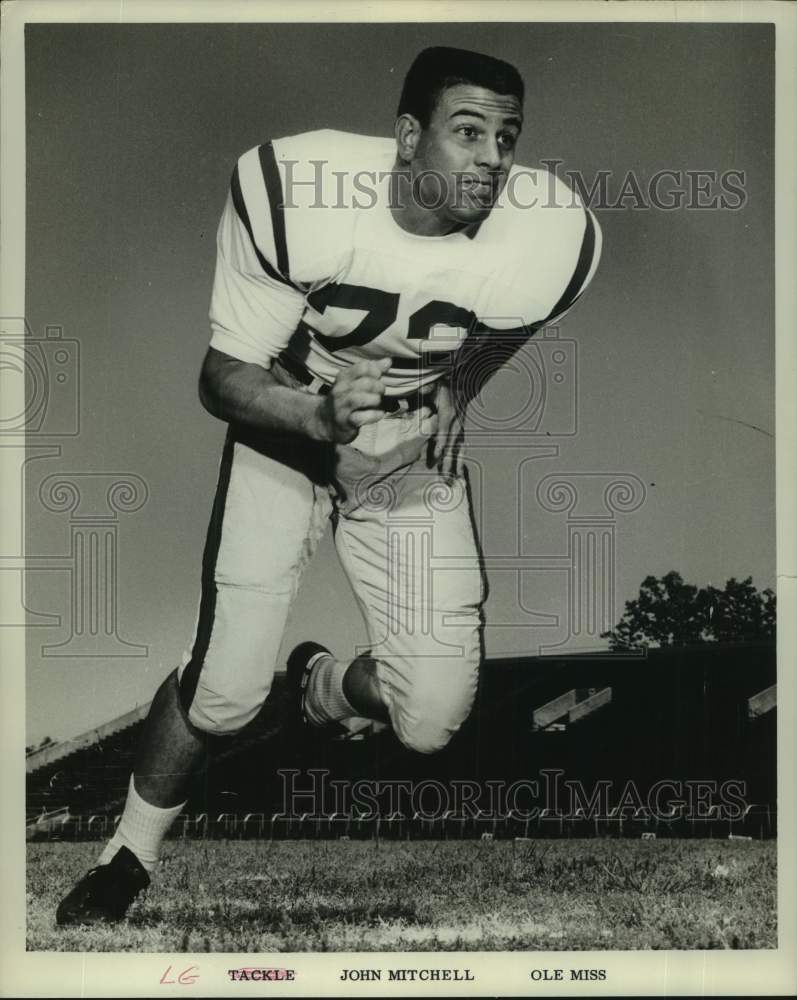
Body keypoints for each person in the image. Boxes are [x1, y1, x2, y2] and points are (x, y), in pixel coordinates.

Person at [56, 45, 601, 925]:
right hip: (293, 425)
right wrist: (314, 421)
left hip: (403, 443)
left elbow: (517, 316)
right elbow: (223, 375)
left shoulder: (548, 231)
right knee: (226, 693)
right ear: (406, 134)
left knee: (428, 717)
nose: (493, 159)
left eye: (508, 137)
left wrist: (464, 380)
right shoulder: (300, 192)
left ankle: (321, 685)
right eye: (467, 133)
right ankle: (129, 854)